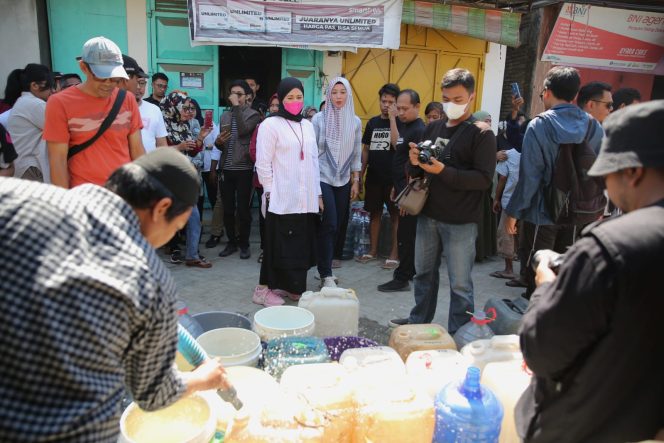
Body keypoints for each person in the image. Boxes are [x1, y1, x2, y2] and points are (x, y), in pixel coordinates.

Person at [0, 148, 230, 442]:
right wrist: (201, 379)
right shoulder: (150, 278)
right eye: (178, 226)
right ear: (161, 209)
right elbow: (152, 394)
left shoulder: (20, 198)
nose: (173, 234)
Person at [515, 100, 664, 443]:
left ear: (633, 172)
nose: (604, 189)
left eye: (606, 178)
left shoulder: (608, 248)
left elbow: (542, 352)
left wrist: (545, 287)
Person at [389, 68, 496, 332]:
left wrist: (443, 171)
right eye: (446, 98)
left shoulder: (481, 133)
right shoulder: (434, 126)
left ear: (471, 96)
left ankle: (460, 331)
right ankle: (419, 321)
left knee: (460, 283)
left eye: (458, 100)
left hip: (461, 221)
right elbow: (422, 171)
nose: (452, 105)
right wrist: (415, 164)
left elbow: (483, 179)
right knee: (423, 274)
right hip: (428, 216)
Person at [504, 66, 603, 298]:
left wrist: (513, 213)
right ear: (575, 95)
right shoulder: (594, 126)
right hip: (581, 212)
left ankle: (534, 320)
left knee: (539, 271)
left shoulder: (539, 125)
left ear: (547, 92)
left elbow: (530, 176)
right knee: (567, 272)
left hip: (543, 213)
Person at [254, 77, 321, 306]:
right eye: (289, 97)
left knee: (299, 244)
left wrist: (318, 193)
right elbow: (263, 163)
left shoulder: (307, 126)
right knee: (276, 244)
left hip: (305, 197)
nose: (295, 101)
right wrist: (270, 192)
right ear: (281, 99)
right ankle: (262, 290)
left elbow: (313, 162)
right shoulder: (270, 125)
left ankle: (291, 287)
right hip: (281, 197)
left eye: (299, 97)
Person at [44, 36, 145, 189]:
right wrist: (64, 204)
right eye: (101, 76)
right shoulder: (59, 103)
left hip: (124, 195)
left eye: (114, 78)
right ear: (83, 67)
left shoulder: (127, 100)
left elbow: (137, 150)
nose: (108, 84)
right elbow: (57, 160)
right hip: (84, 198)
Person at [312, 77, 362, 288]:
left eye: (342, 92)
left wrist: (356, 180)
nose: (338, 96)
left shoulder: (356, 121)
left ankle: (326, 267)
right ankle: (325, 273)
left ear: (348, 94)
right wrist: (315, 189)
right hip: (322, 176)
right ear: (328, 95)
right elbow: (312, 154)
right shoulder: (319, 120)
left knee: (338, 224)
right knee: (330, 221)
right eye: (334, 92)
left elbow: (357, 152)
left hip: (343, 179)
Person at [378, 89, 425, 292]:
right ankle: (410, 271)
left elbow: (417, 168)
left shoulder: (419, 130)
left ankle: (402, 277)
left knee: (405, 236)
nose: (402, 112)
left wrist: (407, 195)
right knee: (406, 234)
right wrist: (395, 189)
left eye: (406, 108)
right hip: (400, 189)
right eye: (400, 108)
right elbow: (399, 152)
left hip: (410, 191)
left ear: (417, 107)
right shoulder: (405, 126)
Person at [160, 90, 212, 268]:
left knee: (194, 217)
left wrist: (201, 137)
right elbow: (159, 151)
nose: (189, 111)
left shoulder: (184, 125)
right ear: (173, 107)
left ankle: (192, 255)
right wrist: (179, 146)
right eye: (185, 107)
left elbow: (193, 150)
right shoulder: (162, 124)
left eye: (190, 108)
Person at [358, 83, 400, 268]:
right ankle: (373, 251)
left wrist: (392, 119)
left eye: (391, 102)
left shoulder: (400, 123)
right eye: (384, 101)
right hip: (374, 177)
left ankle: (393, 254)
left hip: (393, 179)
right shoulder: (373, 123)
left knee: (395, 216)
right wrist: (360, 175)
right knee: (374, 214)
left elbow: (396, 144)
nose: (386, 105)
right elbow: (366, 150)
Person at [217, 79, 260, 259]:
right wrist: (218, 143)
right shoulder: (224, 116)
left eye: (239, 94)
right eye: (233, 94)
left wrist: (236, 107)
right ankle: (231, 243)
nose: (235, 97)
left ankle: (244, 244)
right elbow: (224, 144)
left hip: (244, 169)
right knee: (228, 209)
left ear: (247, 96)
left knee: (243, 210)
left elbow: (243, 132)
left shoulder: (253, 114)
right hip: (226, 168)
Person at [7, 63, 53, 182]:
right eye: (49, 86)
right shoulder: (34, 104)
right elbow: (59, 128)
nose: (52, 91)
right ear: (34, 85)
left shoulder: (25, 102)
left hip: (24, 166)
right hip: (31, 168)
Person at [249, 93, 279, 263]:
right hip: (264, 180)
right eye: (273, 105)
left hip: (284, 182)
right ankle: (265, 250)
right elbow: (253, 151)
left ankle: (279, 250)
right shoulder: (261, 127)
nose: (275, 108)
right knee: (265, 218)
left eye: (278, 105)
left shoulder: (292, 126)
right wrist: (269, 166)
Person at [491, 145, 521, 280]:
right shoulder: (536, 152)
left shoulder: (507, 155)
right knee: (521, 234)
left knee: (506, 233)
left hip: (510, 202)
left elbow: (502, 179)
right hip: (528, 202)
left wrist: (496, 199)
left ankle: (508, 269)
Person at [128, 57, 168, 153]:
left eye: (142, 83)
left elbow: (162, 144)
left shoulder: (154, 110)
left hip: (149, 165)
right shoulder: (115, 109)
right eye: (136, 83)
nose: (138, 87)